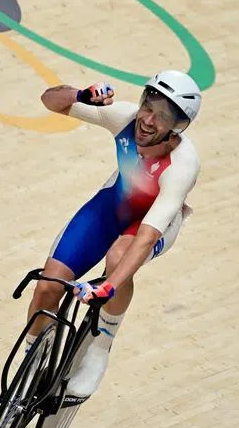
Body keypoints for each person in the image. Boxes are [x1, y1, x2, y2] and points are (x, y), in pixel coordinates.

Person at [24, 70, 202, 400]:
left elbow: (147, 237)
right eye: (148, 106)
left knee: (119, 258)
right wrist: (79, 95)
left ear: (176, 129)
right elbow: (50, 101)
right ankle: (33, 360)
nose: (148, 121)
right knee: (48, 287)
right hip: (114, 204)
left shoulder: (183, 165)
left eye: (162, 118)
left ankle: (100, 346)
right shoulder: (124, 117)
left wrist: (107, 286)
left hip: (152, 223)